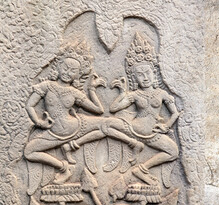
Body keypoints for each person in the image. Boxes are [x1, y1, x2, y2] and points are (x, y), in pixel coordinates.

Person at [24, 41, 144, 184]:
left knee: (106, 124)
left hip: (74, 126)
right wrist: (39, 122)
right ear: (58, 66)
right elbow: (30, 105)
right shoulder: (47, 86)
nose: (67, 73)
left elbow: (98, 110)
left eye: (73, 71)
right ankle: (64, 167)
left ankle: (133, 142)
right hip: (53, 132)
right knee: (29, 152)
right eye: (65, 67)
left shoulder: (74, 93)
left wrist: (92, 89)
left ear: (78, 75)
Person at [68, 33, 179, 185]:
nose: (145, 78)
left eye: (147, 73)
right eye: (140, 75)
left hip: (153, 134)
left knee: (173, 152)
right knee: (106, 124)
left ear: (154, 75)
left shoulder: (162, 93)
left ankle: (142, 169)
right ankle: (78, 144)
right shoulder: (135, 95)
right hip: (133, 129)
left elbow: (174, 113)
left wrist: (166, 125)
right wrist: (123, 93)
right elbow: (114, 108)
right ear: (134, 79)